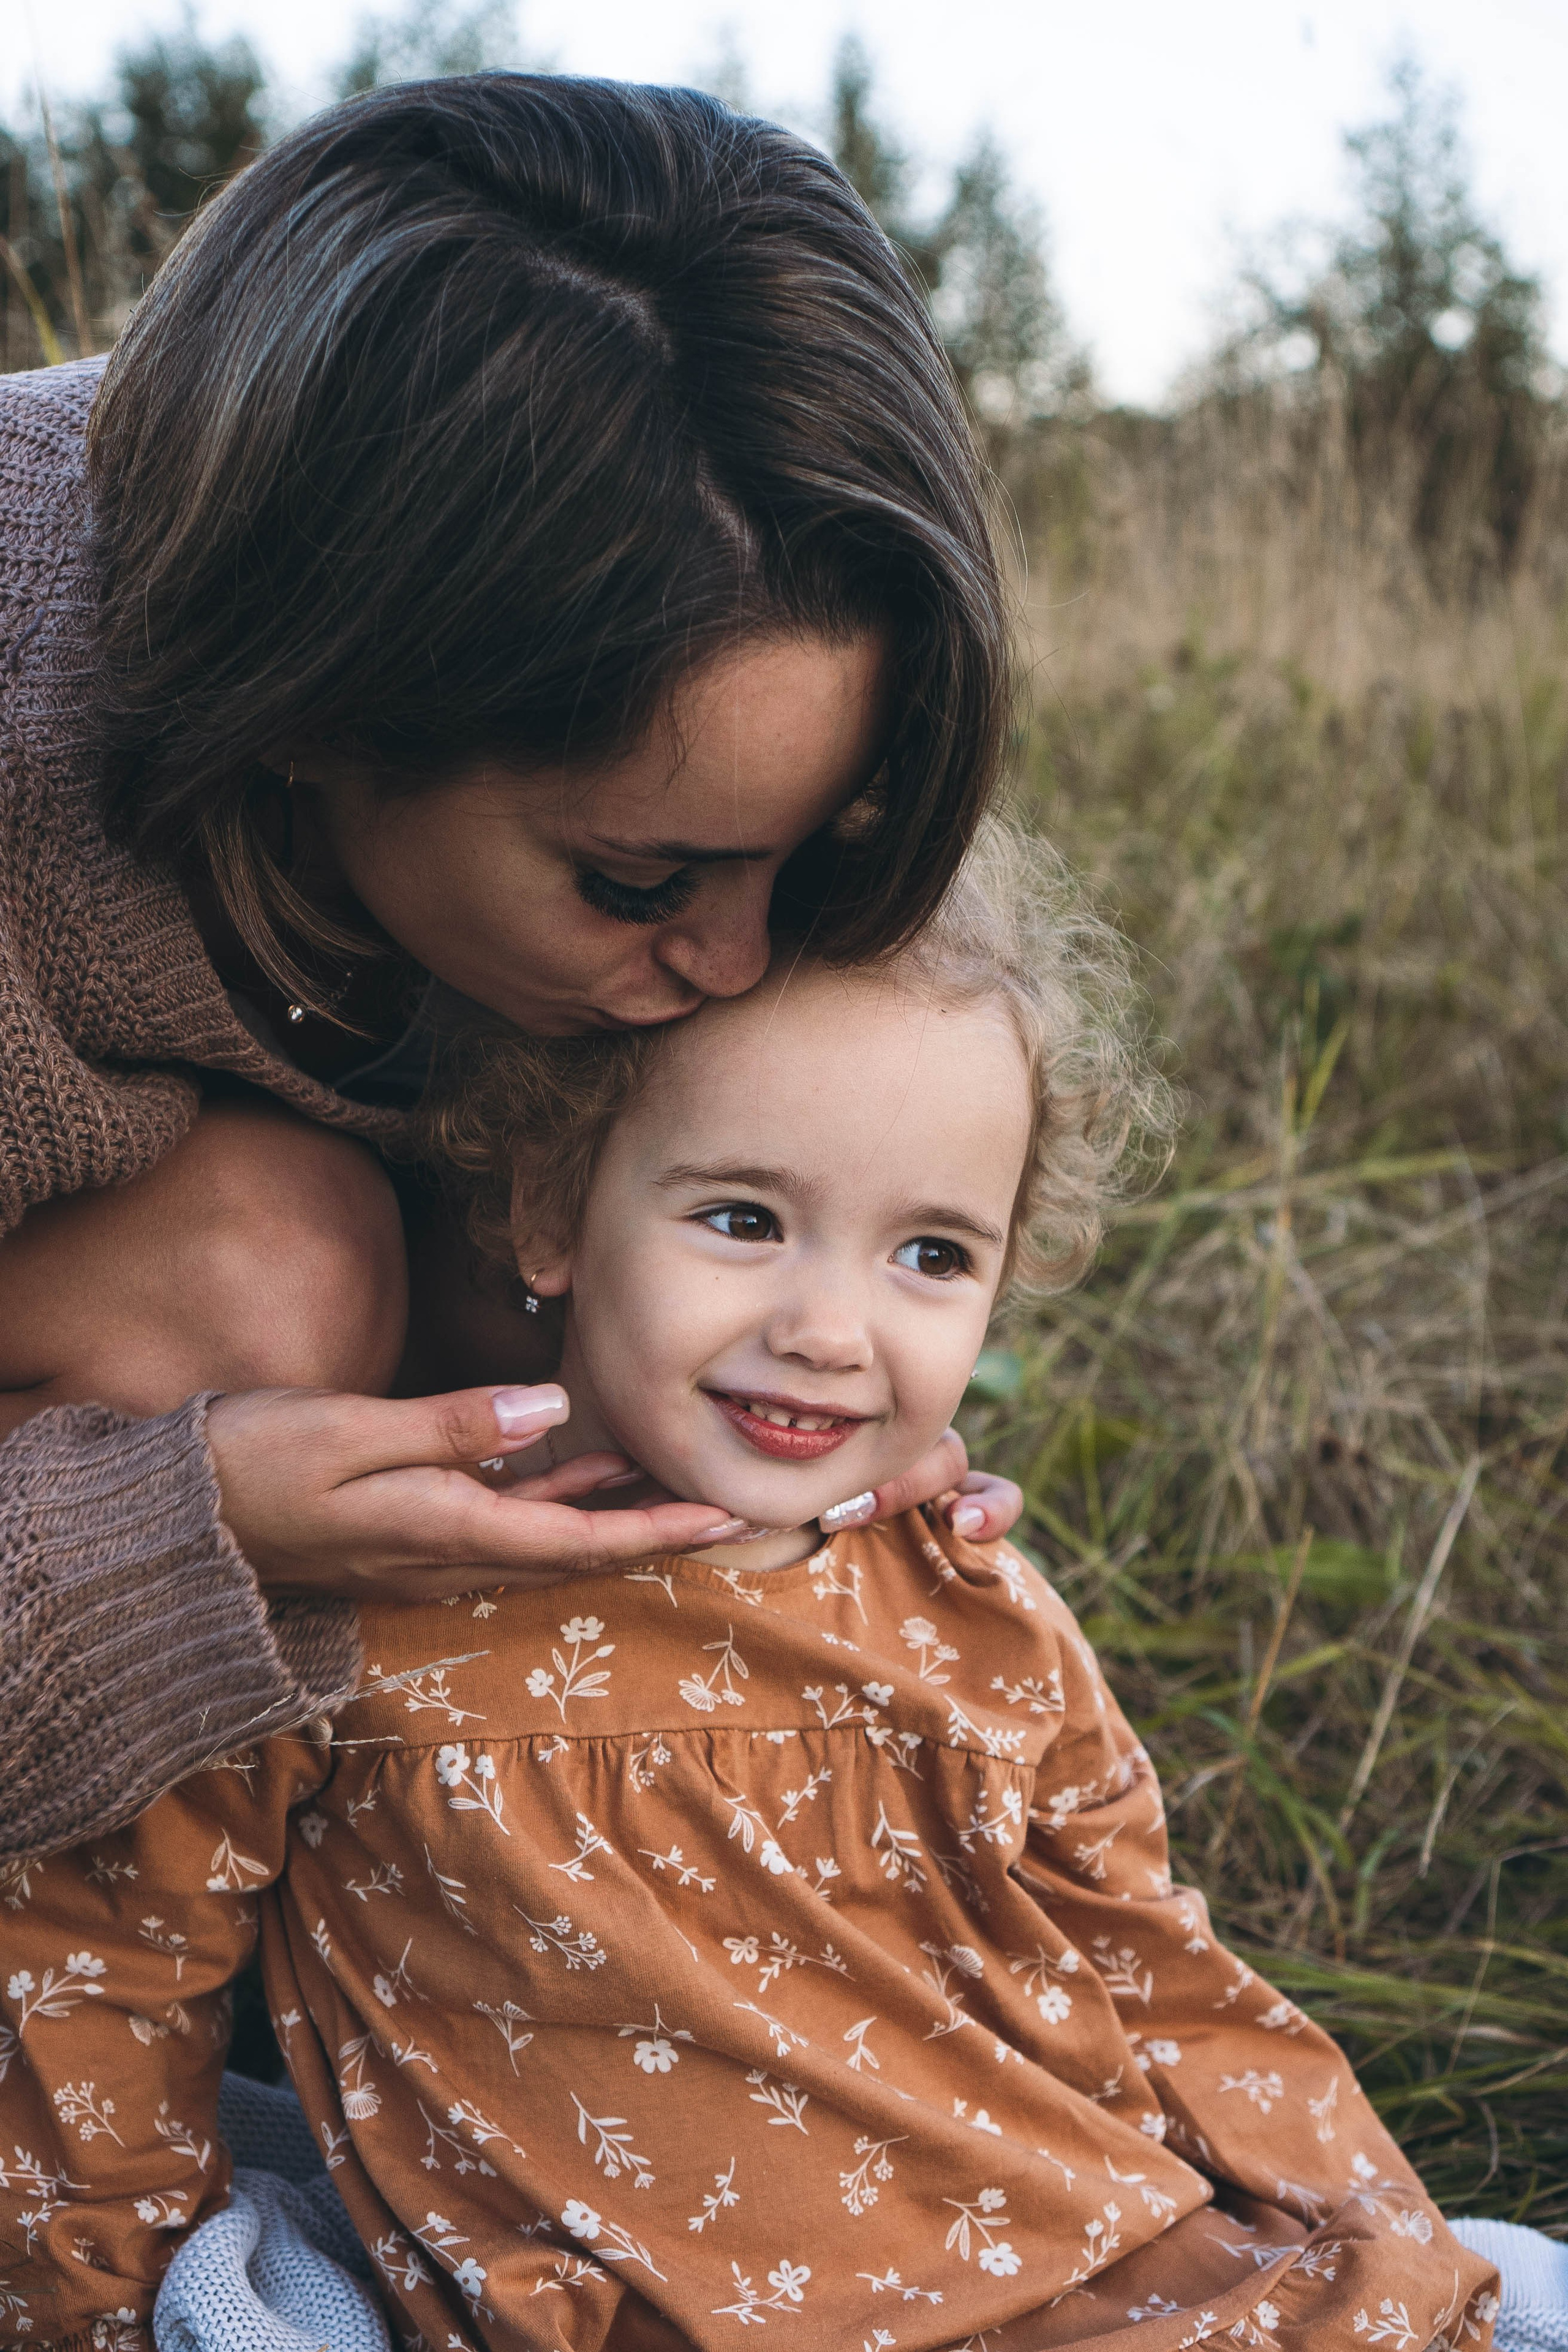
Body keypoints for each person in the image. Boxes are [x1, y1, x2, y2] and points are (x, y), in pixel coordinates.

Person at [0, 829, 1499, 2352]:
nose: (832, 1331)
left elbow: (1152, 1964)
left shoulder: (968, 1608)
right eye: (742, 1220)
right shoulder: (353, 1593)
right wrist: (93, 2309)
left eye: (929, 1252)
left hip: (1083, 2273)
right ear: (551, 1212)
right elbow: (107, 1967)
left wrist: (1379, 2236)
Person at [0, 71, 1025, 1868]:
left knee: (588, 1272)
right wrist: (165, 1535)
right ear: (309, 710)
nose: (731, 963)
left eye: (812, 856)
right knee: (275, 1281)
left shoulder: (698, 621)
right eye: (636, 879)